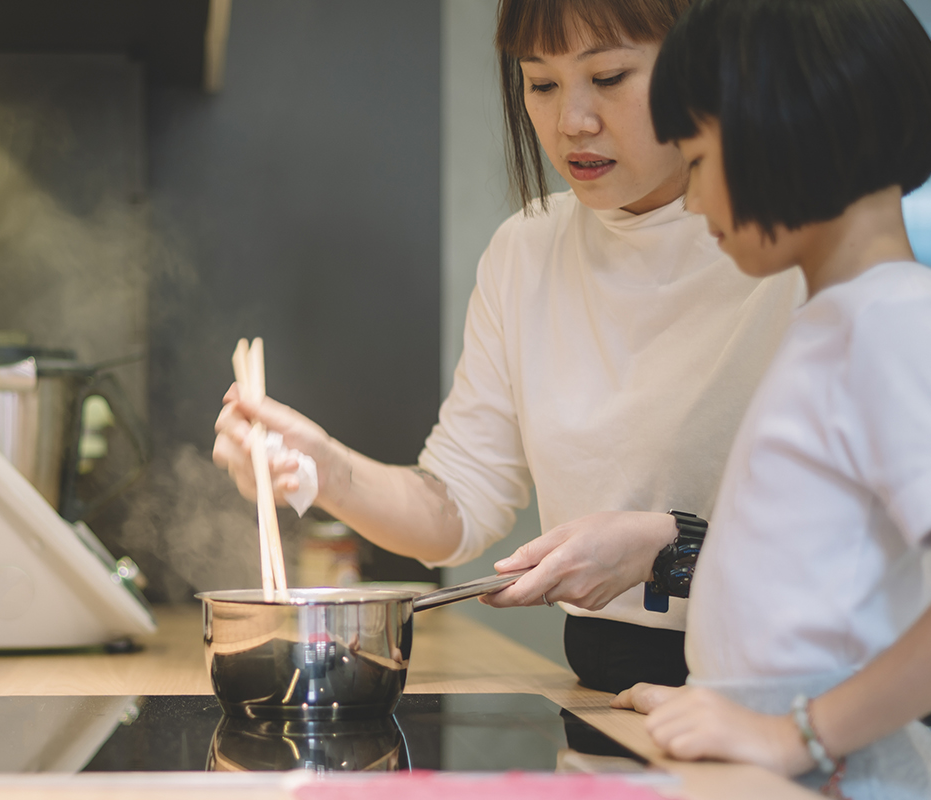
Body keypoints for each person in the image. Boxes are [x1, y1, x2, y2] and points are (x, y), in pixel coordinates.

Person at [212, 0, 805, 694]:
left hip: (779, 698)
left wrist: (665, 547)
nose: (570, 123)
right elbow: (457, 507)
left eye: (609, 77)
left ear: (706, 67)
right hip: (610, 696)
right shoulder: (527, 251)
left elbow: (852, 551)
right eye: (541, 84)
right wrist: (322, 469)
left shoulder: (797, 250)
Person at [608, 0, 931, 796]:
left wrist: (790, 733)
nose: (691, 201)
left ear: (784, 129)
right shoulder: (841, 318)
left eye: (699, 160)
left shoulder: (892, 322)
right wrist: (722, 704)